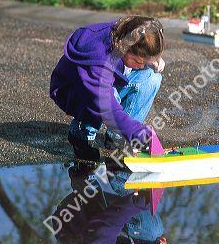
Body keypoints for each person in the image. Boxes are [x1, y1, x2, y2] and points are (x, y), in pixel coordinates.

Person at [50, 16, 165, 161]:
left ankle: (118, 135)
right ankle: (82, 131)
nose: (141, 66)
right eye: (138, 61)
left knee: (152, 77)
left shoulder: (131, 31)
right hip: (77, 91)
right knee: (111, 97)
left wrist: (152, 59)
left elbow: (149, 36)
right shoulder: (98, 60)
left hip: (108, 82)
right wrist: (138, 132)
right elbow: (107, 106)